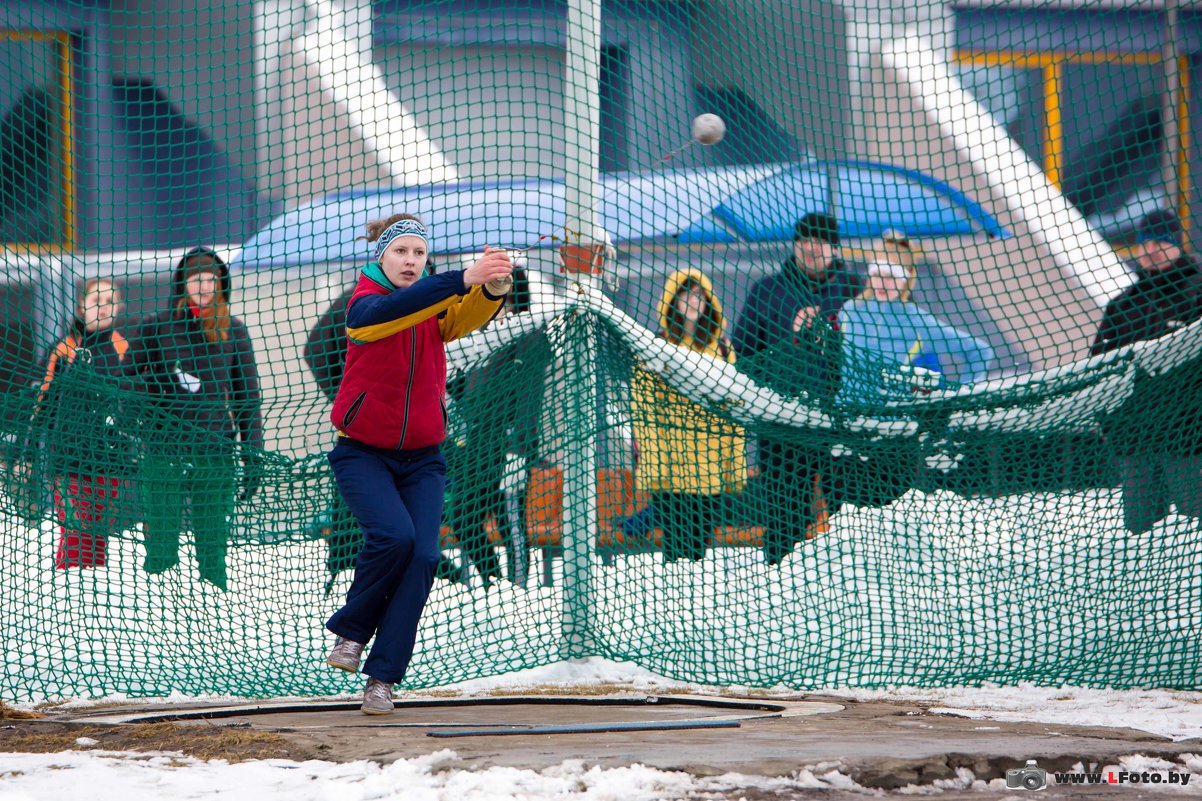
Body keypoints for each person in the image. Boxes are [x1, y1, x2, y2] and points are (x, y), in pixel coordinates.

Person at [323, 214, 513, 715]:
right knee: (395, 538)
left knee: (425, 557)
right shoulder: (364, 304)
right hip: (361, 452)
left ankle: (382, 678)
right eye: (401, 253)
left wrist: (490, 291)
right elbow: (397, 312)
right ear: (381, 257)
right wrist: (460, 279)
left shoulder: (430, 302)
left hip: (424, 458)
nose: (411, 261)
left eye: (418, 253)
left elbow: (458, 320)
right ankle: (351, 632)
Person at [304, 261, 471, 593]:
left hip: (415, 434)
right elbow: (316, 351)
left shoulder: (434, 308)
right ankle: (345, 569)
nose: (414, 271)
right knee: (359, 509)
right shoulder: (359, 302)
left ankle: (415, 566)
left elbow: (436, 364)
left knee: (413, 511)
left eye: (424, 267)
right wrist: (353, 399)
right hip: (365, 433)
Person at [125, 246, 264, 590]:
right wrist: (160, 381)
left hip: (214, 451)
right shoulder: (157, 327)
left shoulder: (233, 330)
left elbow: (247, 401)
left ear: (220, 285)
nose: (203, 287)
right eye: (195, 280)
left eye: (209, 281)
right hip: (163, 449)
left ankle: (214, 596)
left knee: (212, 547)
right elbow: (123, 379)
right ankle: (157, 609)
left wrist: (253, 457)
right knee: (161, 546)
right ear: (182, 285)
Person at [732, 212, 863, 564]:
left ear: (834, 247)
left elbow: (875, 342)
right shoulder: (768, 289)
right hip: (782, 420)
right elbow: (743, 350)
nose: (811, 248)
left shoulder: (853, 289)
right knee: (785, 509)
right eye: (804, 240)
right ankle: (780, 572)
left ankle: (848, 577)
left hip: (841, 418)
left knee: (847, 509)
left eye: (821, 241)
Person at [836, 262, 995, 506]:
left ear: (905, 282)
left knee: (887, 519)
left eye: (892, 277)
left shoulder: (916, 320)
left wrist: (959, 399)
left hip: (894, 436)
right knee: (843, 520)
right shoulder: (849, 311)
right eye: (878, 275)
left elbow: (979, 352)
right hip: (847, 431)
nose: (883, 283)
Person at [1090, 209, 1202, 534]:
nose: (1151, 249)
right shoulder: (1123, 305)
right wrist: (1114, 425)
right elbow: (1101, 366)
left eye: (1161, 241)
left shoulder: (1196, 293)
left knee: (1193, 534)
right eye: (1144, 242)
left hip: (1190, 441)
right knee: (1141, 537)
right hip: (1137, 443)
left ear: (1178, 245)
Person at [631, 269, 746, 562]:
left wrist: (734, 465)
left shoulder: (722, 349)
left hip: (711, 470)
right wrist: (654, 464)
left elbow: (734, 412)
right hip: (672, 470)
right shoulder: (655, 349)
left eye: (698, 295)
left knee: (700, 548)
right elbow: (644, 412)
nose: (692, 302)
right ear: (672, 301)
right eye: (684, 295)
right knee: (676, 550)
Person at [446, 267, 550, 587]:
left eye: (504, 288)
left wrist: (519, 451)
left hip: (507, 443)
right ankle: (492, 583)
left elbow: (530, 399)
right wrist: (455, 383)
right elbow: (473, 393)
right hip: (477, 443)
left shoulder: (530, 335)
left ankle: (519, 588)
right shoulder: (481, 335)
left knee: (510, 522)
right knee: (463, 517)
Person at [35, 278, 132, 569]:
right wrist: (23, 454)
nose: (103, 308)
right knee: (75, 532)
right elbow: (43, 403)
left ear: (120, 307)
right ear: (81, 307)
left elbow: (134, 399)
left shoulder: (124, 348)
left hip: (110, 459)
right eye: (96, 302)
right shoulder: (65, 348)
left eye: (110, 302)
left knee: (98, 536)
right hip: (68, 459)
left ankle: (94, 595)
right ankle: (69, 588)